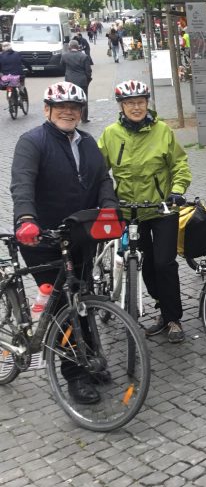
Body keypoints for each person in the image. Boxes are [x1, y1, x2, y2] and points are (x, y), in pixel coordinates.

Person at [10, 82, 118, 404]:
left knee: (82, 299)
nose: (68, 111)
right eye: (61, 107)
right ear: (47, 110)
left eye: (74, 106)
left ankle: (91, 357)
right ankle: (74, 375)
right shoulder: (32, 142)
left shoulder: (87, 143)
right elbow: (22, 183)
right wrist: (26, 218)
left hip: (80, 237)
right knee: (63, 308)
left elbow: (102, 180)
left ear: (81, 112)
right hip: (42, 238)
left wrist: (109, 206)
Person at [98, 80, 191, 343]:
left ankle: (173, 319)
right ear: (122, 106)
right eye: (130, 103)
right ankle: (162, 308)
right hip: (130, 212)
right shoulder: (110, 134)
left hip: (161, 209)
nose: (136, 107)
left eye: (140, 102)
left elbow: (180, 164)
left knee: (164, 263)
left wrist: (178, 190)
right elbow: (98, 172)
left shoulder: (162, 131)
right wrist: (104, 199)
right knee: (145, 265)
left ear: (147, 103)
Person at [61, 40, 92, 123]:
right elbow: (88, 71)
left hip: (69, 81)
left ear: (69, 47)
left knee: (70, 99)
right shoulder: (84, 56)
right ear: (78, 47)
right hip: (82, 81)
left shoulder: (65, 56)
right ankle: (84, 118)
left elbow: (62, 66)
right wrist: (88, 79)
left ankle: (71, 117)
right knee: (83, 99)